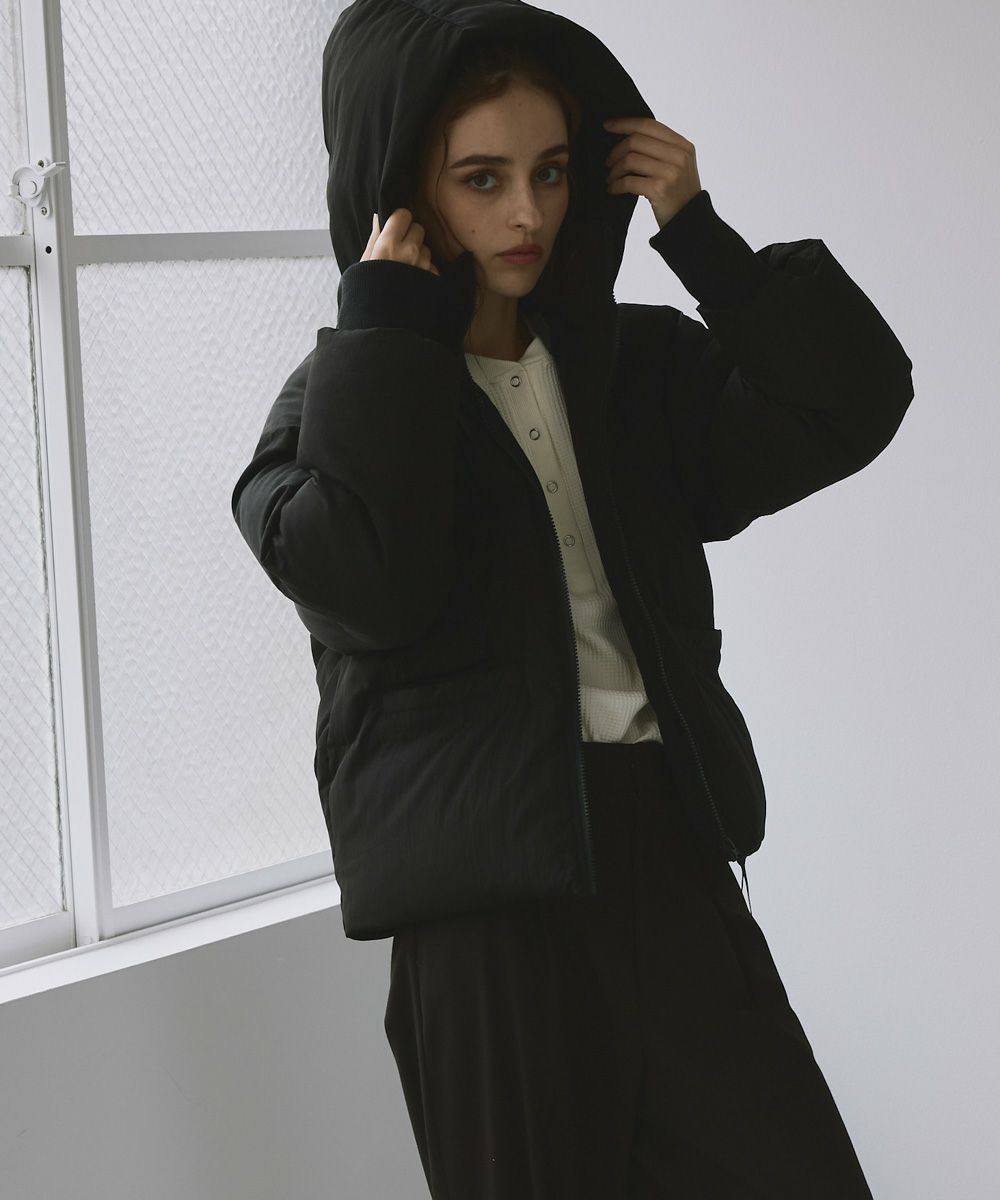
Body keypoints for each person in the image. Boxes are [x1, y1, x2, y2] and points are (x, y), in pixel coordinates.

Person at [231, 2, 914, 1196]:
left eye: (549, 172)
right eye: (481, 179)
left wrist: (702, 239)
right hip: (486, 910)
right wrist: (383, 329)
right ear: (403, 196)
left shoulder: (634, 369)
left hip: (667, 850)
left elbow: (848, 405)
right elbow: (370, 591)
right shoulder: (334, 411)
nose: (528, 215)